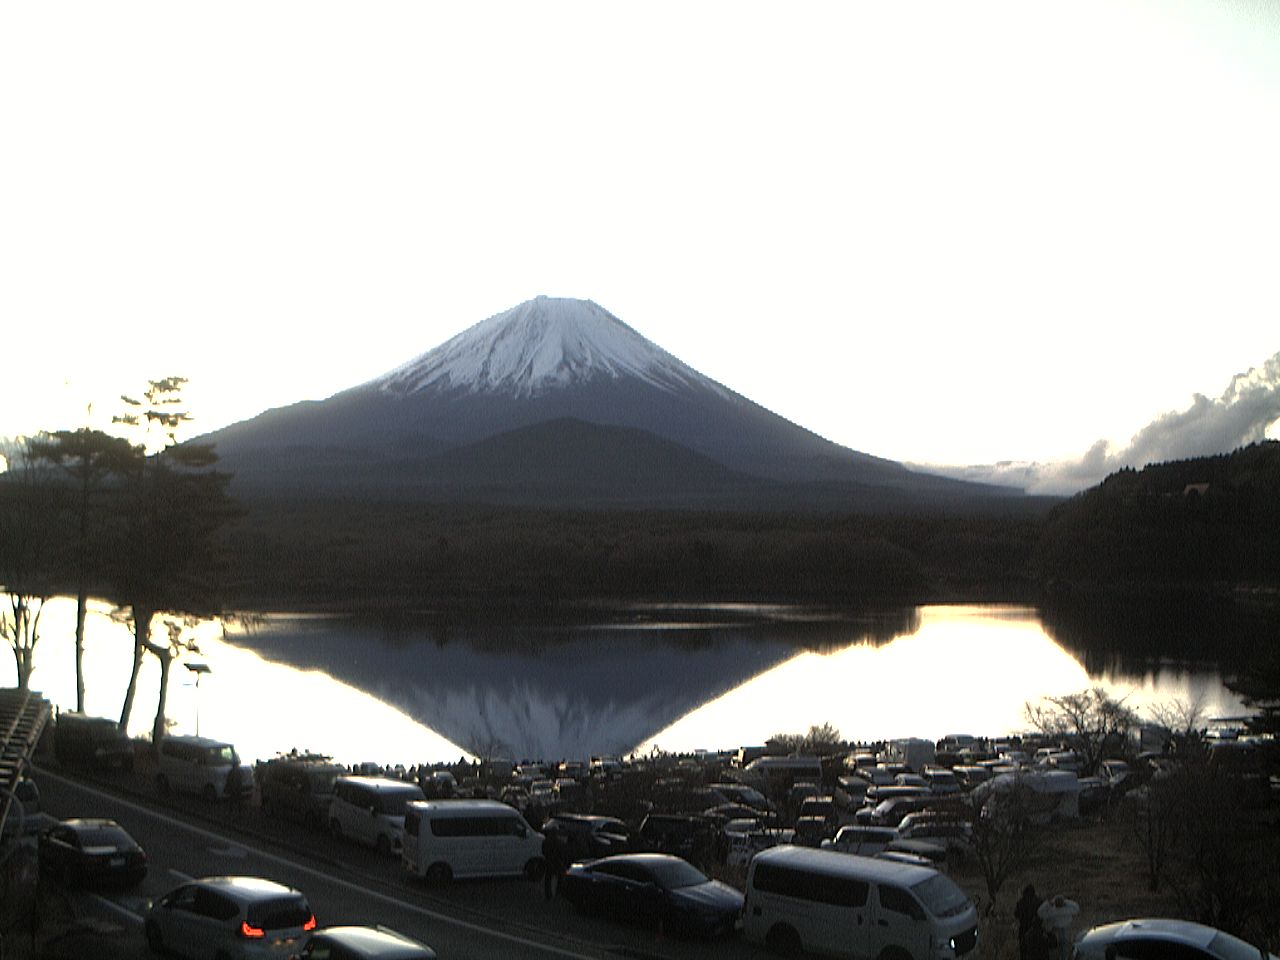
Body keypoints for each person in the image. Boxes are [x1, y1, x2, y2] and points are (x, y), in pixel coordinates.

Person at [1038, 893, 1080, 960]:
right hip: (1066, 928)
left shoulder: (1052, 912)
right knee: (1065, 945)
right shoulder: (1067, 910)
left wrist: (1047, 903)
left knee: (1057, 947)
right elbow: (1077, 907)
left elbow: (1040, 912)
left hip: (1055, 930)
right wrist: (1067, 901)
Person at [1014, 885, 1043, 960]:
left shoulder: (1020, 902)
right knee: (1036, 950)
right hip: (1037, 929)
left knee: (1024, 950)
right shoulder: (1039, 901)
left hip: (1024, 928)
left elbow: (1016, 914)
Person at [542, 826, 569, 900]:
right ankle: (558, 893)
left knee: (548, 879)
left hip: (549, 861)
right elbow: (563, 853)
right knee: (560, 878)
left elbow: (543, 851)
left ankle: (548, 895)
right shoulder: (560, 843)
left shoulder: (546, 841)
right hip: (558, 862)